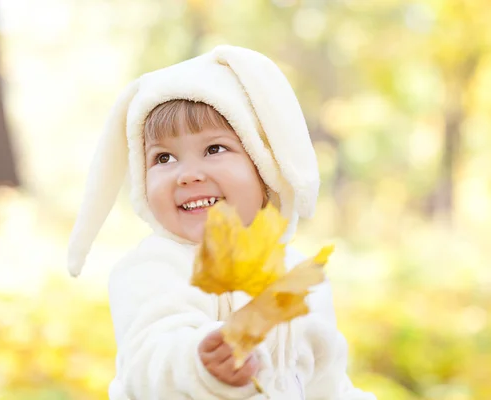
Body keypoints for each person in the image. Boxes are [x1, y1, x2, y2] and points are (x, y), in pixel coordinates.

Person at [67, 45, 376, 400]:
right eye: (163, 157)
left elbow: (327, 384)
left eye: (214, 149)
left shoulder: (299, 276)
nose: (187, 175)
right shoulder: (152, 268)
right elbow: (149, 360)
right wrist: (199, 363)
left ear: (264, 167)